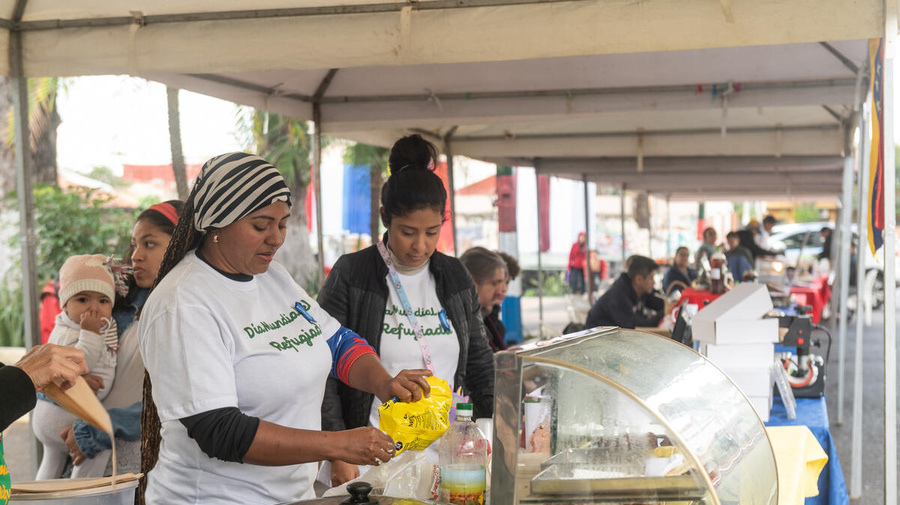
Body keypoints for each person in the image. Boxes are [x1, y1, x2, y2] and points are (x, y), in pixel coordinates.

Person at [138, 153, 430, 504]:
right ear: (217, 223)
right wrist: (340, 444)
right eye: (261, 226)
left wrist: (384, 382)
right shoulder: (183, 303)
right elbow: (219, 431)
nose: (276, 239)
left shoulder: (272, 276)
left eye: (282, 223)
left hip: (291, 495)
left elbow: (336, 343)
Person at [318, 135, 495, 487]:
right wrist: (337, 450)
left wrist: (489, 428)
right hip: (371, 459)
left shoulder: (454, 275)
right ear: (385, 217)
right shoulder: (352, 274)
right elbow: (322, 365)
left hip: (447, 459)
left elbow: (478, 360)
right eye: (407, 232)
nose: (420, 246)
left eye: (432, 232)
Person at [59, 200, 184, 477]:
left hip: (142, 465)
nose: (137, 255)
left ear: (181, 244)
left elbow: (176, 404)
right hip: (85, 451)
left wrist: (100, 427)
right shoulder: (118, 305)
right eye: (135, 244)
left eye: (149, 244)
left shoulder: (187, 313)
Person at [33, 254, 120, 480]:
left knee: (52, 461)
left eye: (103, 301)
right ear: (65, 305)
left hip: (54, 413)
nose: (94, 309)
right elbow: (81, 363)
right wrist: (90, 333)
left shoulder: (85, 327)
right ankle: (80, 496)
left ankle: (41, 499)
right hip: (62, 411)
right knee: (98, 446)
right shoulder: (69, 331)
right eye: (83, 300)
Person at [586, 255, 663, 329]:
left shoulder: (640, 289)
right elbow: (637, 328)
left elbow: (659, 303)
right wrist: (663, 314)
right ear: (639, 279)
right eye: (651, 278)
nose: (654, 282)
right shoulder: (618, 297)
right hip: (597, 338)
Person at [460, 247, 509, 352]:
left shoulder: (488, 321)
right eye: (495, 283)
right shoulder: (461, 328)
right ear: (472, 283)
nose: (501, 291)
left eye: (505, 283)